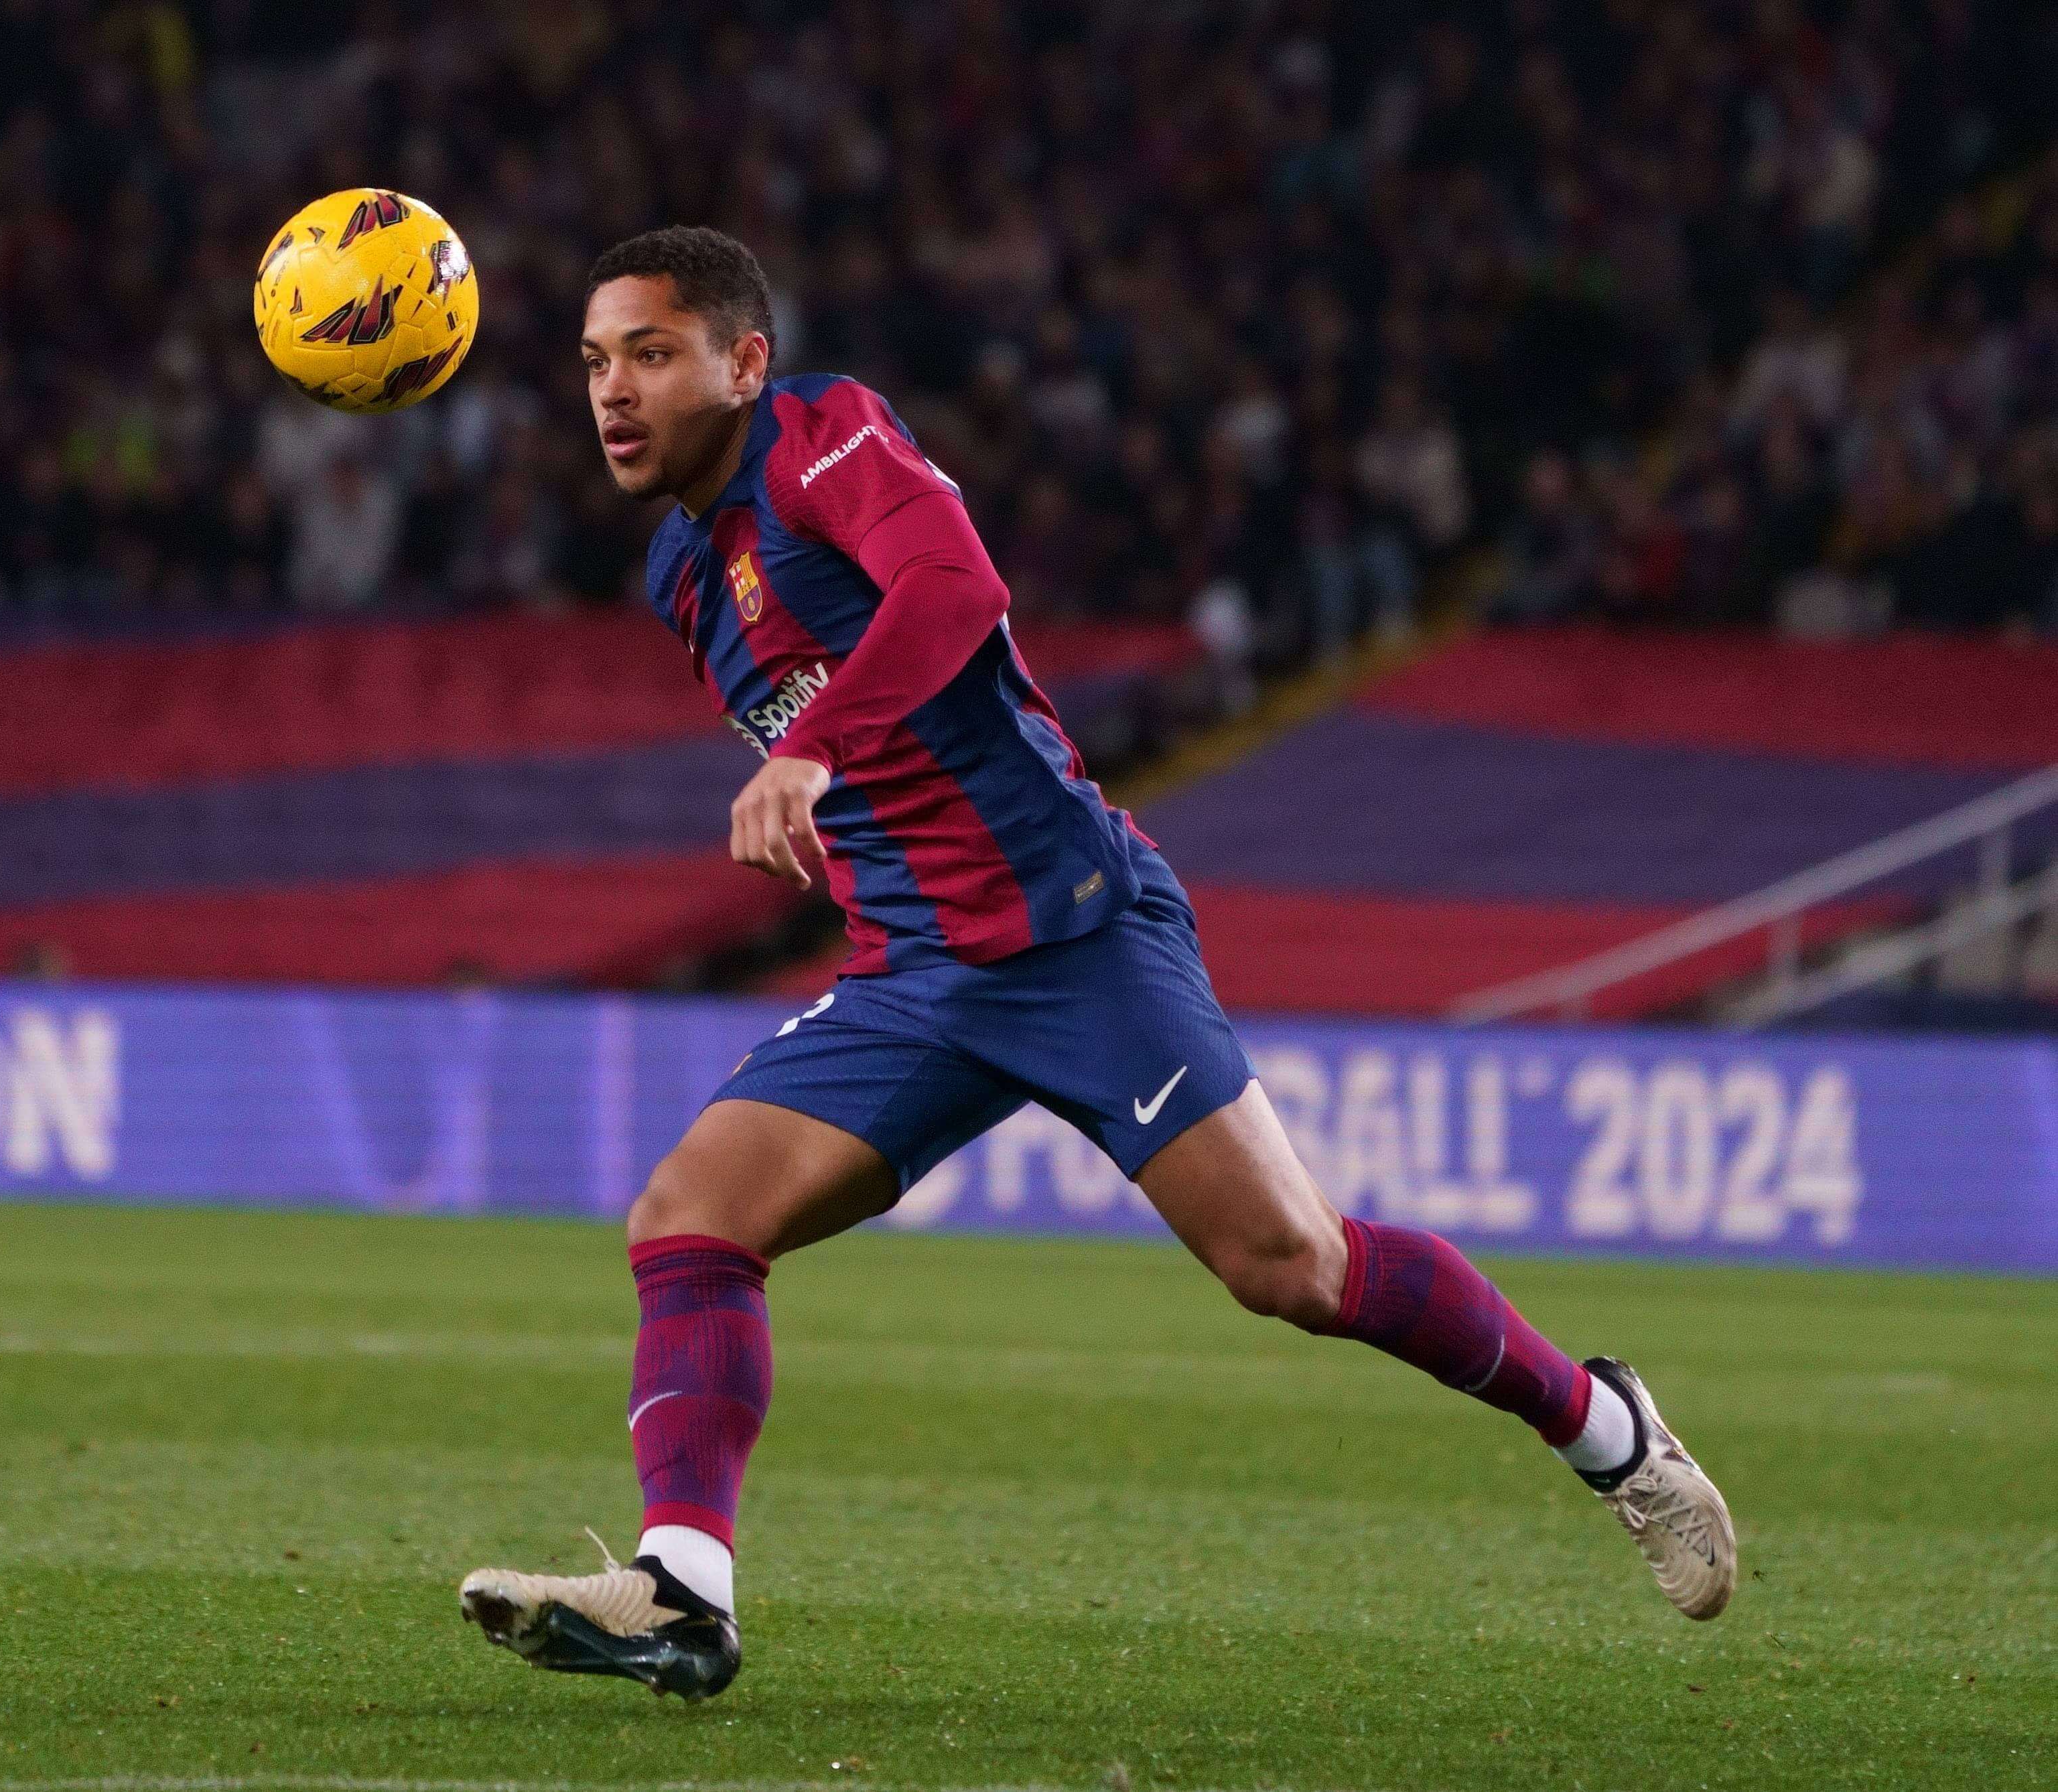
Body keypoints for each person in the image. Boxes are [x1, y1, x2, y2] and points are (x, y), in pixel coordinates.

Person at [457, 229, 1734, 1703]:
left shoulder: (819, 435)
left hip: (1070, 932)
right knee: (686, 1219)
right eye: (595, 361)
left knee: (1291, 1265)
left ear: (742, 364)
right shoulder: (679, 570)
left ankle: (1610, 1432)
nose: (613, 391)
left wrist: (809, 746)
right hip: (912, 975)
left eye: (652, 352)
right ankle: (682, 1587)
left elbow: (953, 588)